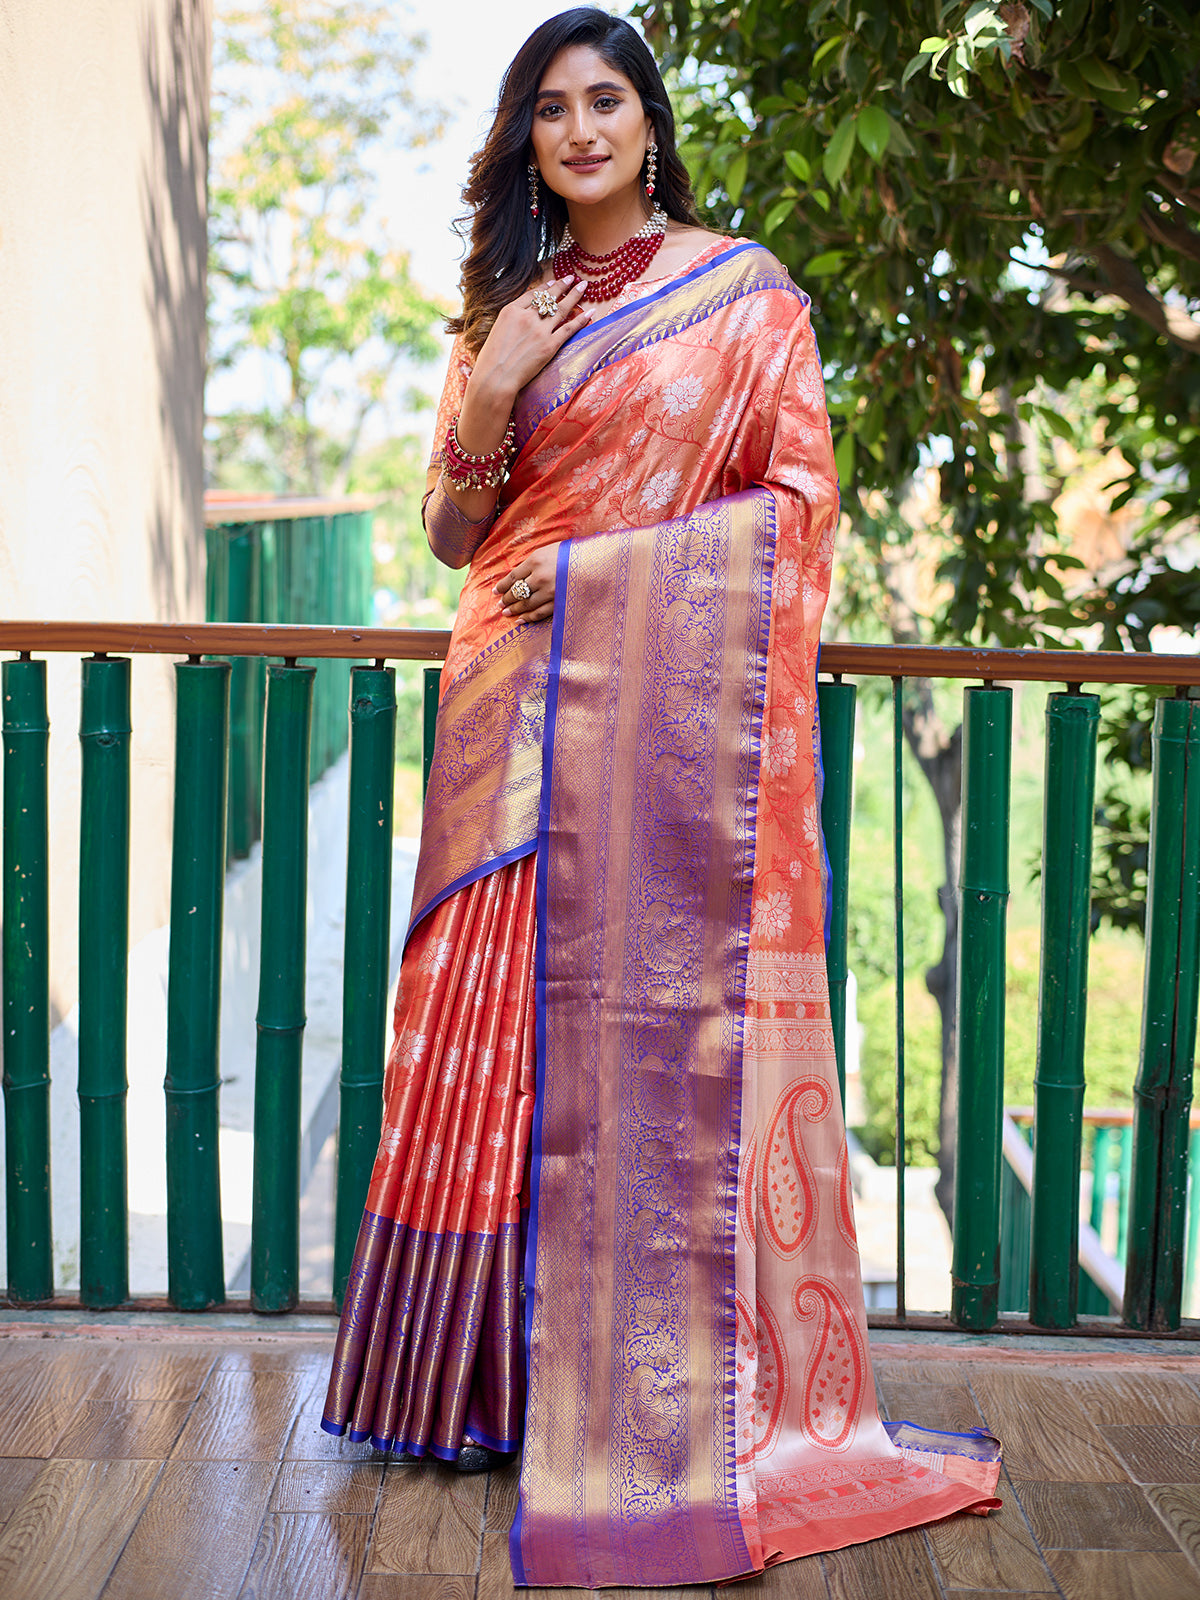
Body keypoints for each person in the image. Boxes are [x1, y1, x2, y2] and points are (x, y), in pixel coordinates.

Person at [322, 7, 1001, 1587]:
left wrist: (611, 576)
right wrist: (491, 391)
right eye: (549, 108)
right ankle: (471, 1383)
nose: (578, 131)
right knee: (485, 1027)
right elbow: (447, 532)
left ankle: (633, 1383)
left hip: (652, 719)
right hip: (504, 697)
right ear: (526, 139)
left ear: (647, 121)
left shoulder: (743, 297)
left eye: (604, 100)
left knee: (636, 1027)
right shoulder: (503, 304)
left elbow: (798, 506)